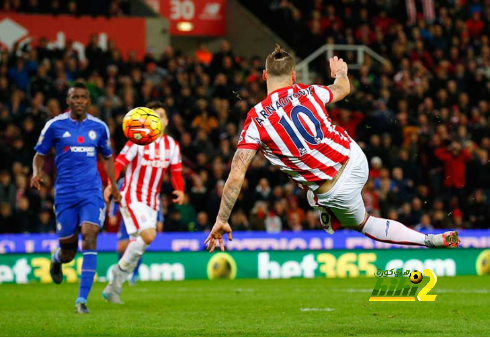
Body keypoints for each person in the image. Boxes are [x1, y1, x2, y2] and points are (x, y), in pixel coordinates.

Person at [205, 45, 461, 253]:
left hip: (337, 191)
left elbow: (236, 175)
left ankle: (427, 240)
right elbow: (343, 88)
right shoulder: (310, 91)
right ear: (294, 76)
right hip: (357, 159)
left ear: (264, 75)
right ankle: (324, 207)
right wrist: (340, 72)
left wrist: (222, 218)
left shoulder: (255, 119)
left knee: (363, 222)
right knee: (309, 178)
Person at [31, 82, 121, 314]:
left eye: (83, 97)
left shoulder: (99, 127)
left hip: (91, 192)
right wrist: (36, 173)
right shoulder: (54, 125)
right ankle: (57, 258)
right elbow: (39, 154)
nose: (79, 101)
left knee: (90, 237)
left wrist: (112, 184)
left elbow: (108, 157)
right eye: (75, 97)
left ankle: (81, 299)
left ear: (88, 101)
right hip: (65, 195)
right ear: (68, 101)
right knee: (69, 251)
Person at [103, 101, 185, 304]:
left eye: (161, 115)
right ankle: (117, 279)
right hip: (131, 195)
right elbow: (119, 162)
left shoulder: (172, 145)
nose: (158, 118)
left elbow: (176, 172)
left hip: (152, 202)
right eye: (153, 115)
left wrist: (180, 190)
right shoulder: (137, 140)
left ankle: (114, 284)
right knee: (148, 235)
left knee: (141, 242)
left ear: (165, 121)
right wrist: (110, 185)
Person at [108, 178, 165, 286]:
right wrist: (113, 213)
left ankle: (134, 274)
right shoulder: (123, 181)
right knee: (121, 247)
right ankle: (123, 272)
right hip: (127, 217)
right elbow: (116, 197)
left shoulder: (149, 178)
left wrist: (159, 219)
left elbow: (156, 199)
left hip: (144, 218)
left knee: (138, 245)